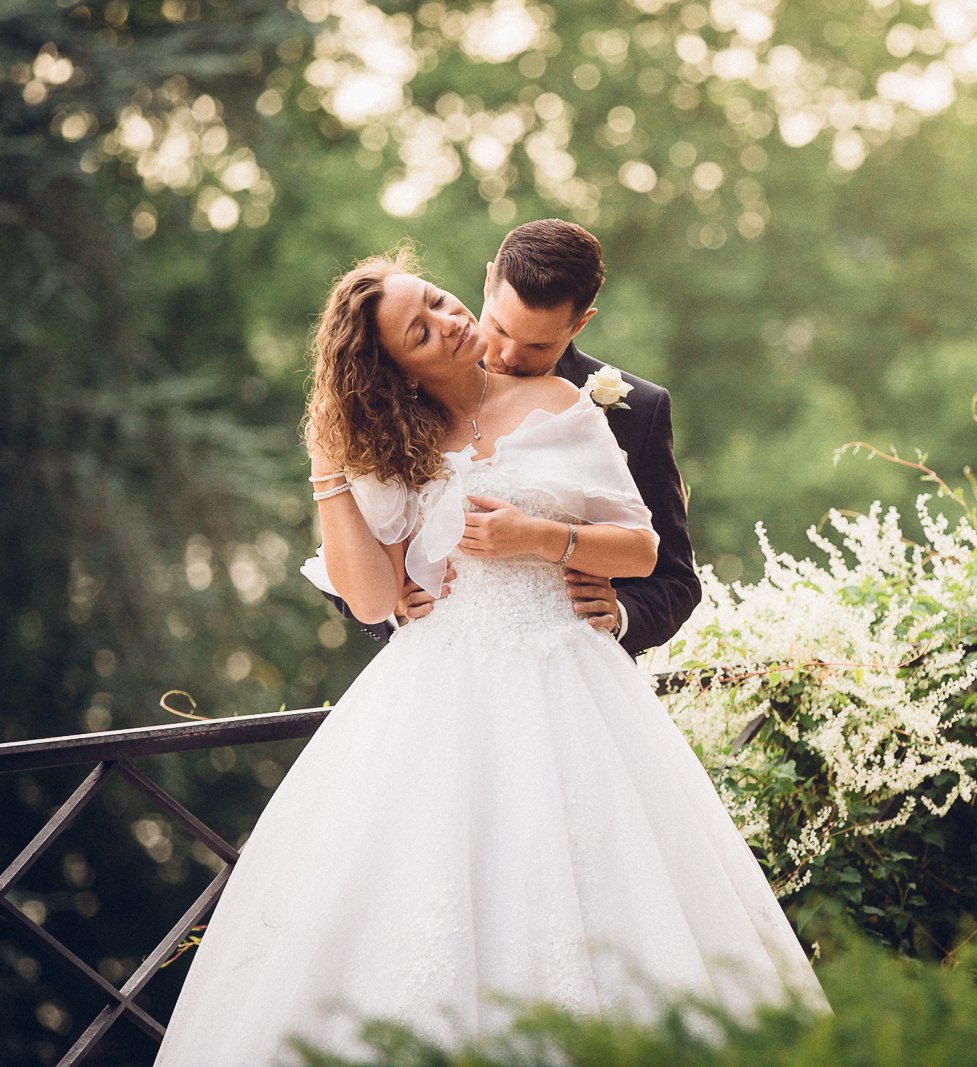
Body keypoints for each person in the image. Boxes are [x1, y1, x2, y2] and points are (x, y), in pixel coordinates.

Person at [153, 248, 831, 1064]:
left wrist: (543, 540)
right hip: (433, 702)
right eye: (422, 329)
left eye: (437, 301)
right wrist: (328, 468)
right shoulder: (389, 447)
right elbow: (370, 600)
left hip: (568, 686)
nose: (452, 322)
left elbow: (648, 548)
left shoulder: (565, 401)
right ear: (395, 369)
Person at [319, 220, 700, 657]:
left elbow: (672, 576)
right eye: (499, 328)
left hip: (568, 658)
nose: (507, 356)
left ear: (579, 325)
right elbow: (351, 570)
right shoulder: (395, 419)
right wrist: (398, 607)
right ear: (487, 284)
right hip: (443, 660)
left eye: (538, 346)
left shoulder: (627, 409)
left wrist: (616, 618)